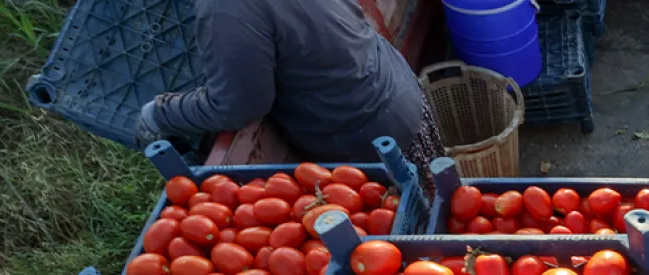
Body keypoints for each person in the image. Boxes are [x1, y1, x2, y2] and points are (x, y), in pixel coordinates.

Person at [136, 0, 444, 169]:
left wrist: (158, 114)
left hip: (368, 136)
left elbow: (237, 106)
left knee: (423, 232)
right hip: (393, 85)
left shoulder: (226, 9)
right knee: (437, 198)